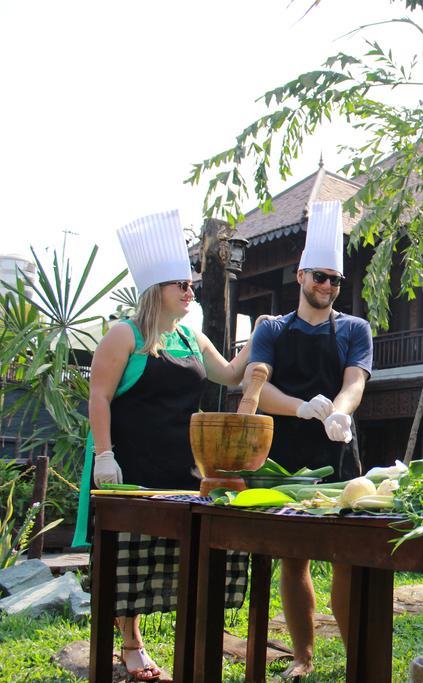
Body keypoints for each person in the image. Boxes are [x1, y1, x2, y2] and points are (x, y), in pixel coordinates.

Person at [73, 210, 267, 681]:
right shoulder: (125, 334)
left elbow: (228, 373)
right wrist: (104, 455)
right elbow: (98, 396)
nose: (188, 290)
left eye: (191, 284)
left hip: (183, 465)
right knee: (127, 554)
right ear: (154, 288)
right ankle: (130, 641)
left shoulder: (188, 335)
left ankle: (190, 638)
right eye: (179, 283)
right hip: (129, 462)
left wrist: (259, 334)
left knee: (179, 555)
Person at [243, 200, 373, 679]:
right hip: (285, 456)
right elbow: (257, 385)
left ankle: (359, 653)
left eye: (335, 280)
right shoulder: (272, 329)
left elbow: (355, 381)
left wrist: (338, 413)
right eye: (320, 276)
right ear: (300, 276)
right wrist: (300, 407)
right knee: (292, 558)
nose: (328, 286)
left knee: (345, 557)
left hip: (337, 450)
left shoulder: (355, 328)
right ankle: (303, 657)